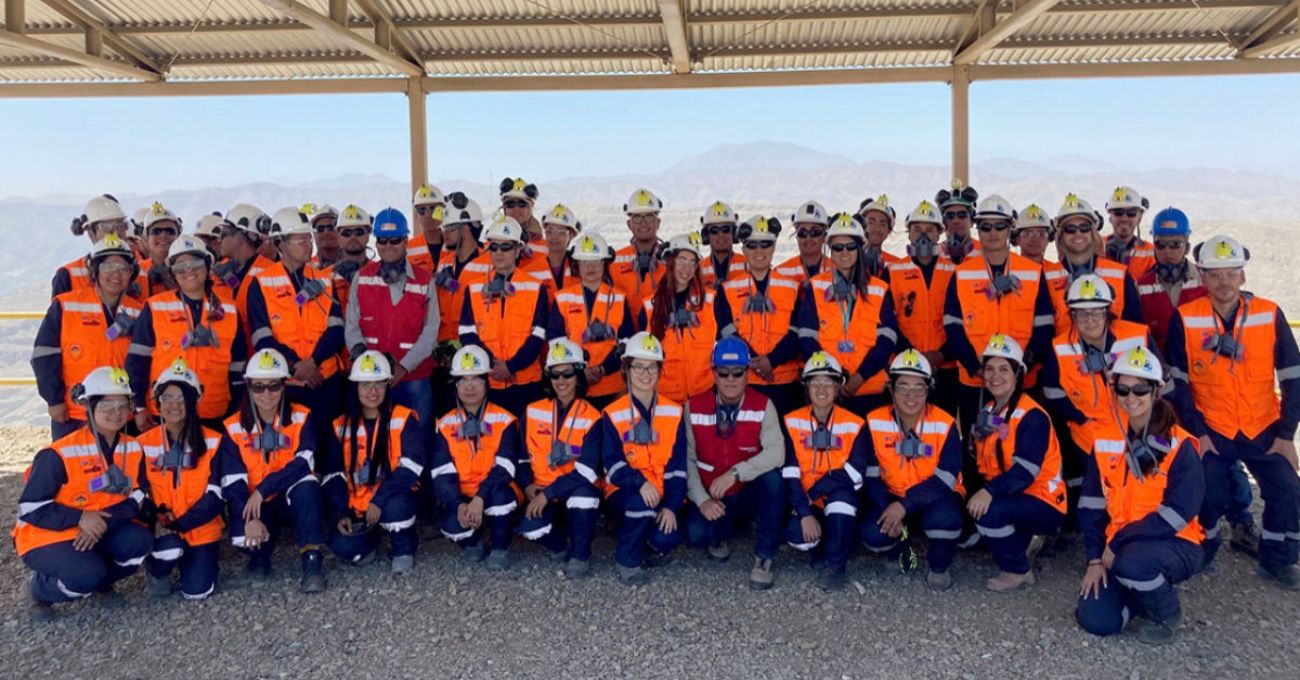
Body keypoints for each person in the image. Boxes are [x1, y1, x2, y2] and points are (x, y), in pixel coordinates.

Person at [1167, 235, 1300, 588]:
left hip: (1263, 427)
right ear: (1203, 277)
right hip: (1212, 428)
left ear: (1242, 276)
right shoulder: (1185, 318)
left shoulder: (1269, 314)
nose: (1223, 282)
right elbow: (1178, 384)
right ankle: (1204, 551)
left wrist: (1286, 435)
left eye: (1231, 274)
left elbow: (1292, 375)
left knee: (1287, 489)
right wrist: (1199, 433)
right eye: (1214, 274)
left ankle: (1277, 561)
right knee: (1206, 493)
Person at [1135, 210, 1260, 556]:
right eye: (1162, 245)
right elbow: (1139, 332)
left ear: (1187, 245)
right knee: (1169, 451)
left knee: (1225, 454)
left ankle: (1240, 519)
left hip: (1208, 385)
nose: (1169, 252)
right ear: (1154, 245)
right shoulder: (1141, 283)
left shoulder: (1205, 280)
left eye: (1176, 244)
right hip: (1161, 385)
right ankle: (1180, 518)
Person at [1076, 346, 1204, 645]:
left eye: (1140, 389)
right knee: (1095, 620)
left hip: (1175, 543)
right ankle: (1139, 595)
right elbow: (1091, 506)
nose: (1131, 397)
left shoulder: (1179, 445)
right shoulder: (1105, 440)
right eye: (1123, 389)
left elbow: (1177, 514)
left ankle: (1167, 615)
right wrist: (1094, 560)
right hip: (1121, 550)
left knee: (1133, 565)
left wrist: (1120, 542)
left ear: (1156, 390)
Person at [15, 366, 151, 621]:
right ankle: (39, 590)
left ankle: (99, 581)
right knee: (85, 574)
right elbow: (30, 509)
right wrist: (80, 518)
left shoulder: (133, 448)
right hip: (48, 535)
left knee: (140, 543)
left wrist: (99, 521)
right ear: (90, 407)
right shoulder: (58, 454)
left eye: (122, 405)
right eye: (107, 405)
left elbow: (139, 496)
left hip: (102, 525)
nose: (116, 413)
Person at [944, 194, 1054, 433]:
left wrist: (1021, 368)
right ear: (978, 229)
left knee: (1021, 442)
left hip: (1023, 380)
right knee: (975, 447)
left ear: (1009, 228)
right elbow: (953, 327)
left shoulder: (1032, 272)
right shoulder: (962, 273)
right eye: (985, 227)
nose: (992, 233)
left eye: (999, 226)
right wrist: (976, 368)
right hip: (975, 381)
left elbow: (1044, 325)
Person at [223, 348, 327, 593]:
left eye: (274, 386)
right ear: (248, 387)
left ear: (284, 386)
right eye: (258, 387)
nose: (267, 394)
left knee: (308, 485)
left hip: (289, 499)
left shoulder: (302, 416)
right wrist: (249, 518)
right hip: (256, 504)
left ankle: (311, 560)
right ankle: (260, 557)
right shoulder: (233, 426)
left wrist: (264, 488)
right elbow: (233, 482)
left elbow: (305, 462)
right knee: (241, 536)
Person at [684, 338, 785, 589]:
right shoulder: (693, 406)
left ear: (747, 374)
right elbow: (687, 460)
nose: (731, 379)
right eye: (724, 373)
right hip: (713, 496)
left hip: (744, 492)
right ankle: (723, 534)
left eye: (738, 373)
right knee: (695, 534)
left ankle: (765, 556)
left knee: (772, 479)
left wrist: (736, 473)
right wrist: (702, 500)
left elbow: (777, 453)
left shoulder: (763, 405)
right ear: (714, 374)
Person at [859, 350, 964, 591]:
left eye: (919, 388)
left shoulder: (944, 423)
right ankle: (899, 549)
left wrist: (904, 506)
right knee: (872, 533)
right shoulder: (874, 421)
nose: (911, 395)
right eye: (903, 386)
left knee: (946, 521)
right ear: (891, 388)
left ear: (928, 390)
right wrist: (888, 506)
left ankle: (939, 565)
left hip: (934, 496)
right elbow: (871, 476)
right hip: (891, 495)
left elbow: (946, 478)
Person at [968, 336, 1066, 592]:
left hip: (1042, 499)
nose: (994, 376)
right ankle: (1027, 539)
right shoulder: (991, 411)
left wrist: (987, 493)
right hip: (1014, 494)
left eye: (1003, 369)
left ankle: (1018, 571)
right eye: (989, 369)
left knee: (987, 514)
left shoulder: (1032, 416)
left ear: (1017, 373)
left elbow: (1025, 472)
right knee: (971, 519)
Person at [137, 360, 242, 600]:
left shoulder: (215, 441)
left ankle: (195, 562)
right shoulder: (142, 444)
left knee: (197, 591)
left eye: (182, 398)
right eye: (167, 398)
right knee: (168, 548)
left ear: (194, 401)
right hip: (160, 529)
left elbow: (215, 497)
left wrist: (180, 524)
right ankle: (157, 571)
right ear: (157, 402)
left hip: (200, 529)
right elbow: (138, 492)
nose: (174, 405)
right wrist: (156, 522)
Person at [1041, 274, 1154, 496]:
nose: (1090, 320)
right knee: (1099, 494)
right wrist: (1080, 419)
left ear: (1107, 312)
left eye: (1096, 312)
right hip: (1089, 435)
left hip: (1139, 428)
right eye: (1082, 313)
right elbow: (1053, 394)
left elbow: (1160, 384)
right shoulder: (1059, 347)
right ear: (1072, 314)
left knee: (1143, 489)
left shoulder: (1137, 336)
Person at [589, 332, 687, 585]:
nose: (645, 374)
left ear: (660, 370)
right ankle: (627, 558)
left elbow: (677, 467)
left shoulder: (675, 411)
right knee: (640, 506)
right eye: (639, 367)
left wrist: (671, 506)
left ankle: (644, 539)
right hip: (625, 490)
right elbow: (612, 464)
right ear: (627, 369)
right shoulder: (612, 413)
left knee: (669, 537)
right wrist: (640, 483)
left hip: (662, 493)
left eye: (652, 367)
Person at [244, 207, 346, 440]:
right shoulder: (261, 283)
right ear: (281, 243)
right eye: (299, 240)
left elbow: (336, 328)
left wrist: (313, 363)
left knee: (329, 450)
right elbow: (262, 338)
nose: (307, 244)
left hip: (325, 381)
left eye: (308, 238)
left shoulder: (324, 279)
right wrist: (297, 367)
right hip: (286, 386)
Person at [126, 235, 246, 429]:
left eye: (196, 263)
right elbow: (137, 361)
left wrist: (238, 407)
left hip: (215, 412)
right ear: (172, 273)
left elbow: (238, 365)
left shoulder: (230, 310)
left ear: (208, 267)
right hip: (166, 413)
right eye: (180, 266)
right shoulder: (155, 308)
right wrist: (139, 406)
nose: (188, 270)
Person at [322, 351, 424, 574]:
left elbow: (411, 468)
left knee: (399, 506)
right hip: (356, 502)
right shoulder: (340, 425)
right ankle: (369, 539)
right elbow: (333, 475)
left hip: (394, 495)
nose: (373, 391)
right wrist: (341, 513)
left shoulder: (403, 417)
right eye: (365, 385)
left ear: (388, 385)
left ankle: (403, 547)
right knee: (340, 544)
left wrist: (379, 500)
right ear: (355, 387)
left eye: (379, 383)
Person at [33, 234, 143, 439]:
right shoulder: (65, 305)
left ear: (131, 273)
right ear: (95, 271)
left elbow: (144, 364)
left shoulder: (139, 311)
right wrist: (54, 400)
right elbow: (44, 355)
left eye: (123, 268)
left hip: (121, 414)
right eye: (108, 267)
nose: (116, 274)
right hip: (75, 413)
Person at [344, 208, 439, 429]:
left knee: (419, 438)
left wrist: (403, 367)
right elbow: (352, 327)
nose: (388, 246)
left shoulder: (424, 280)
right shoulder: (362, 278)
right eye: (383, 241)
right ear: (376, 243)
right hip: (372, 382)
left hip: (414, 379)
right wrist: (368, 366)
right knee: (377, 440)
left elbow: (430, 331)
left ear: (406, 240)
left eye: (395, 240)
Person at [517, 339, 604, 579]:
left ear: (578, 376)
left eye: (568, 373)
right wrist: (527, 486)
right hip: (542, 491)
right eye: (555, 375)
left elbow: (587, 471)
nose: (561, 381)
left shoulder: (593, 417)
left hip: (576, 489)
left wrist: (549, 493)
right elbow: (522, 459)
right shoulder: (533, 411)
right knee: (530, 528)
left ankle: (580, 553)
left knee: (584, 500)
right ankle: (558, 546)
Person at [781, 351, 868, 592]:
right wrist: (803, 509)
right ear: (806, 386)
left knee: (842, 502)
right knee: (795, 534)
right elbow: (789, 472)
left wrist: (815, 492)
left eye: (828, 382)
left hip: (836, 495)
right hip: (804, 498)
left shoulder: (855, 423)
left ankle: (835, 567)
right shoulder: (791, 421)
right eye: (815, 382)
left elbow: (854, 473)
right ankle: (820, 550)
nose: (821, 389)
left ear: (839, 386)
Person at [430, 345, 522, 570]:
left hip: (494, 491)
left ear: (486, 382)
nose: (469, 387)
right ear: (456, 385)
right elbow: (441, 472)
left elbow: (506, 467)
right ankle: (474, 543)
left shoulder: (505, 420)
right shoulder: (444, 424)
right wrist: (458, 504)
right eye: (463, 380)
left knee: (501, 500)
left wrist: (480, 498)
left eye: (476, 380)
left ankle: (500, 547)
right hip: (461, 494)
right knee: (451, 526)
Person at [797, 212, 900, 413]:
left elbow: (887, 340)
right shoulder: (815, 287)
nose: (844, 252)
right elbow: (807, 338)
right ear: (830, 250)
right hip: (827, 391)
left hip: (870, 390)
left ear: (860, 248)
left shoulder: (879, 289)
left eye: (851, 246)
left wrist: (859, 377)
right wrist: (829, 375)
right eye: (837, 247)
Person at [459, 214, 551, 419]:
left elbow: (539, 335)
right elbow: (467, 333)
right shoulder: (474, 288)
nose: (499, 253)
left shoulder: (535, 288)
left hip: (526, 383)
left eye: (506, 247)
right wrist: (492, 364)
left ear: (518, 250)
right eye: (494, 247)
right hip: (488, 382)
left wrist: (511, 366)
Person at [716, 216, 803, 414]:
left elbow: (796, 332)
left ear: (773, 248)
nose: (759, 251)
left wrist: (771, 361)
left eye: (766, 245)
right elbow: (726, 331)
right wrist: (756, 363)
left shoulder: (793, 288)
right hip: (746, 383)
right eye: (752, 245)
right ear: (744, 249)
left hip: (786, 385)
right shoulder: (727, 290)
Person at [548, 232, 636, 409]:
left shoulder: (618, 298)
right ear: (577, 265)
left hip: (613, 386)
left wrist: (603, 369)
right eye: (585, 262)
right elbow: (555, 341)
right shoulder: (563, 298)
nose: (590, 267)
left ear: (604, 263)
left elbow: (626, 342)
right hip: (576, 386)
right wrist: (581, 372)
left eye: (596, 261)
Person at [887, 200, 957, 415]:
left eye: (929, 230)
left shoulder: (955, 272)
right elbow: (887, 321)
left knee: (942, 425)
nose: (923, 235)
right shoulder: (892, 272)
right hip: (904, 366)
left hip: (946, 368)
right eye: (917, 230)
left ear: (939, 234)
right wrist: (911, 353)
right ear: (908, 234)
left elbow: (963, 321)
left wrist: (942, 354)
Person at [644, 232, 719, 402]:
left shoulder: (710, 300)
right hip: (665, 397)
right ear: (670, 262)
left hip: (705, 394)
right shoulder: (650, 306)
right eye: (682, 261)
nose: (687, 268)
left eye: (692, 263)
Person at [1051, 193, 1143, 331]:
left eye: (1084, 228)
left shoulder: (1120, 275)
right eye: (1070, 229)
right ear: (1061, 236)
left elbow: (1134, 326)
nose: (1078, 234)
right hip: (1064, 352)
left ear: (1093, 233)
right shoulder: (1046, 277)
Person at [54, 194, 131, 298]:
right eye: (107, 227)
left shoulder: (141, 272)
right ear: (90, 233)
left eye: (121, 226)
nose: (115, 233)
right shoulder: (67, 276)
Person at [610, 188, 666, 316]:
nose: (643, 223)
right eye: (637, 218)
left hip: (660, 333)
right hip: (625, 334)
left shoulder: (671, 260)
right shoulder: (613, 262)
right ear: (629, 225)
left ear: (658, 223)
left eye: (649, 217)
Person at [326, 204, 374, 309]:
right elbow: (298, 301)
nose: (353, 237)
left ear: (368, 234)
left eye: (359, 232)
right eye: (346, 233)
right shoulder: (325, 276)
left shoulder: (380, 273)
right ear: (338, 236)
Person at [1103, 186, 1155, 280]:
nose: (1124, 218)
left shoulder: (1151, 254)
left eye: (1131, 213)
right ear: (1110, 217)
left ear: (1139, 218)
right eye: (1118, 212)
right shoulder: (1096, 248)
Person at [775, 200, 831, 285]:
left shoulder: (837, 271)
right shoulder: (779, 273)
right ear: (797, 237)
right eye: (802, 233)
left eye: (815, 232)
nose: (808, 238)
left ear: (824, 236)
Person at [138, 202, 182, 298]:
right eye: (156, 231)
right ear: (145, 239)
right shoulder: (136, 271)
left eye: (170, 231)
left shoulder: (189, 269)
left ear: (178, 237)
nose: (163, 236)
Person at [699, 201, 745, 291]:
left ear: (734, 233)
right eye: (714, 230)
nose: (721, 235)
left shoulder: (748, 265)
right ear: (706, 236)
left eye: (726, 229)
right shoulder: (698, 270)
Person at [934, 179, 981, 265]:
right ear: (942, 221)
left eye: (962, 215)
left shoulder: (987, 254)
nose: (956, 220)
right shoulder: (931, 256)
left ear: (972, 220)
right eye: (950, 216)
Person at [857, 194, 904, 278]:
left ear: (889, 231)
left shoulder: (897, 265)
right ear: (861, 225)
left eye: (882, 224)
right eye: (871, 222)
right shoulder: (845, 259)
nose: (877, 228)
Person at [406, 183, 446, 273]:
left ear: (443, 213)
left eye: (433, 209)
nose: (428, 215)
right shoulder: (407, 249)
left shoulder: (456, 246)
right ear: (416, 216)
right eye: (422, 210)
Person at [541, 203, 581, 290]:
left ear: (571, 235)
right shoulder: (531, 270)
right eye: (549, 231)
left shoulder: (581, 269)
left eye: (561, 232)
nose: (554, 237)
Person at [304, 203, 341, 268]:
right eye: (320, 229)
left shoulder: (358, 265)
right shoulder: (303, 269)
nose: (326, 232)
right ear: (313, 234)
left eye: (331, 227)